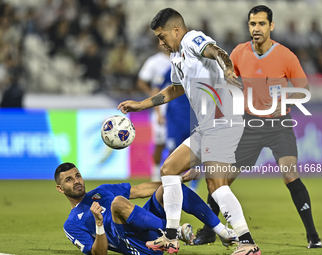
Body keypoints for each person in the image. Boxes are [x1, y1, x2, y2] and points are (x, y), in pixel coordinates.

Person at [118, 8, 261, 255]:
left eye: (162, 36)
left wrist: (227, 68)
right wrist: (141, 104)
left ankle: (247, 242)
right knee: (169, 169)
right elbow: (175, 89)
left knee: (216, 186)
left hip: (223, 120)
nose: (160, 42)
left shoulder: (192, 39)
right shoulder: (176, 57)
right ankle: (171, 237)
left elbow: (217, 51)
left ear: (176, 29)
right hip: (206, 126)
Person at [194, 5, 322, 250]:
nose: (256, 28)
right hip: (249, 124)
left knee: (289, 174)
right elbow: (228, 79)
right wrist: (229, 76)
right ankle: (209, 231)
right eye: (252, 24)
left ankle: (313, 235)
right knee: (222, 180)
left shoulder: (286, 56)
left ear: (271, 26)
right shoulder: (240, 52)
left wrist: (285, 100)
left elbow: (304, 89)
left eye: (262, 24)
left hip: (279, 124)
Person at [55, 162, 237, 255]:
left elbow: (141, 190)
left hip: (147, 226)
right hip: (134, 244)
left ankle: (222, 232)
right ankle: (174, 232)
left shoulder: (101, 191)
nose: (76, 181)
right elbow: (98, 253)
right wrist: (99, 224)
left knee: (170, 188)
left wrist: (178, 179)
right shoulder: (71, 224)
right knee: (117, 203)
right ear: (60, 188)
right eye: (68, 179)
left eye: (77, 175)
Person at [137, 45, 170, 181]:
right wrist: (152, 97)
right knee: (160, 143)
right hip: (160, 108)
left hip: (179, 108)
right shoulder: (154, 61)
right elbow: (141, 81)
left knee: (178, 144)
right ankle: (156, 174)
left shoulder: (182, 59)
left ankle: (173, 174)